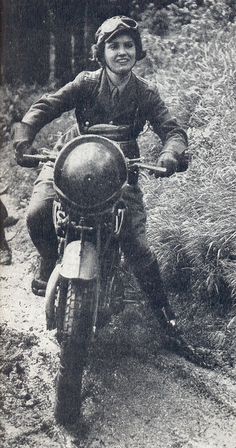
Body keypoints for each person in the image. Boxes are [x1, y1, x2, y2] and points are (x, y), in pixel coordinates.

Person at [13, 16, 188, 333]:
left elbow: (172, 130)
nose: (122, 52)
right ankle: (50, 258)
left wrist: (170, 154)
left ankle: (165, 317)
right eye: (114, 46)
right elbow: (48, 105)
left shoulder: (145, 92)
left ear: (137, 50)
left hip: (121, 170)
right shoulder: (86, 83)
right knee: (38, 212)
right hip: (73, 158)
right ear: (101, 52)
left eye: (128, 45)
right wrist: (24, 135)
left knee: (139, 247)